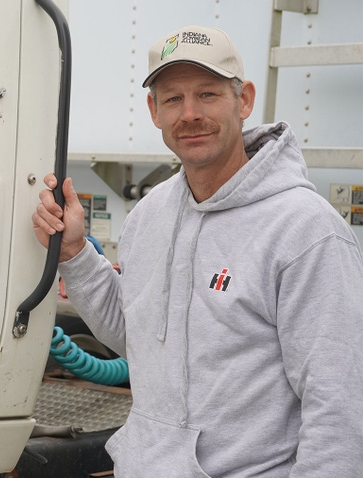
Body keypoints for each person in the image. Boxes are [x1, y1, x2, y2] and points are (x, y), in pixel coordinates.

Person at [32, 25, 363, 477]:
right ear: (154, 111)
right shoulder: (149, 216)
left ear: (243, 100)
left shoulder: (307, 231)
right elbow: (136, 337)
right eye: (173, 99)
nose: (189, 114)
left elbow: (339, 402)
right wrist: (74, 253)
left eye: (207, 95)